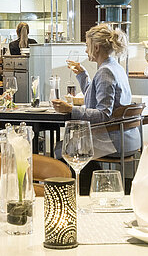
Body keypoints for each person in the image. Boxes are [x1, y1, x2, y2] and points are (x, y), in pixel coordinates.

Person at [51, 24, 135, 193]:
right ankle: (92, 187)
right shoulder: (114, 67)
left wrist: (70, 110)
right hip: (125, 136)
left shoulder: (105, 72)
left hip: (111, 139)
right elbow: (95, 99)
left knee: (60, 150)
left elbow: (103, 114)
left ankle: (77, 194)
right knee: (68, 147)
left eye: (87, 46)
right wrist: (82, 75)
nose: (86, 51)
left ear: (96, 47)